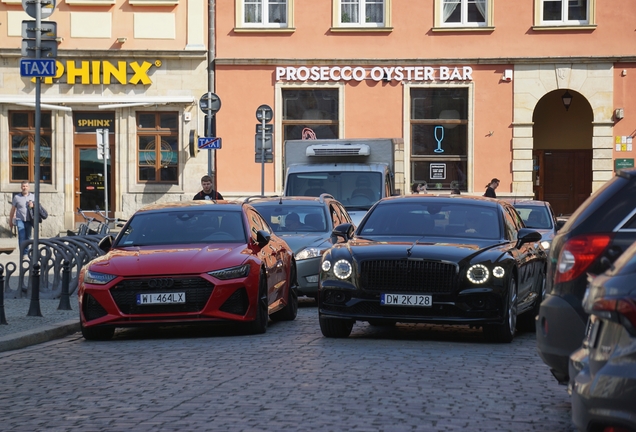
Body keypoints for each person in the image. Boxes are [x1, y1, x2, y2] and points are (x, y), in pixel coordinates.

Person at [9, 181, 35, 257]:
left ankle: (26, 252)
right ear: (21, 187)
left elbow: (37, 208)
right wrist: (10, 220)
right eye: (23, 186)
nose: (25, 188)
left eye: (26, 186)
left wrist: (32, 205)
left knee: (28, 237)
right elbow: (13, 209)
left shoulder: (33, 196)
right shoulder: (17, 197)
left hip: (29, 220)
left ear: (29, 187)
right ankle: (23, 253)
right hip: (19, 219)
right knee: (21, 236)